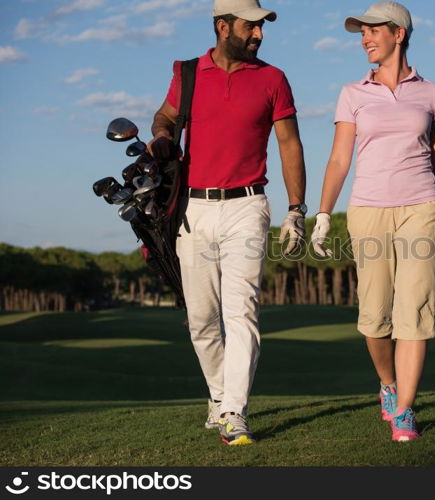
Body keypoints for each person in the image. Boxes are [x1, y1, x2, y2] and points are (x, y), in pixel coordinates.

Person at [149, 0, 307, 446]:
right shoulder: (188, 73)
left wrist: (297, 210)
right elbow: (164, 116)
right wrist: (162, 136)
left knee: (242, 312)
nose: (258, 35)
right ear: (222, 27)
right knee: (201, 319)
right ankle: (219, 398)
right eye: (250, 27)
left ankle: (234, 412)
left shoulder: (273, 79)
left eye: (261, 28)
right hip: (193, 209)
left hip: (247, 207)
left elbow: (289, 143)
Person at [311, 1, 435, 442]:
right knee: (375, 315)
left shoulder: (433, 93)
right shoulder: (353, 93)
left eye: (372, 31)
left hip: (421, 207)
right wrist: (322, 215)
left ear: (398, 33)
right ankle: (388, 386)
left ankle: (406, 412)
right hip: (368, 209)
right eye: (361, 33)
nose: (364, 39)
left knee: (414, 311)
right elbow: (339, 158)